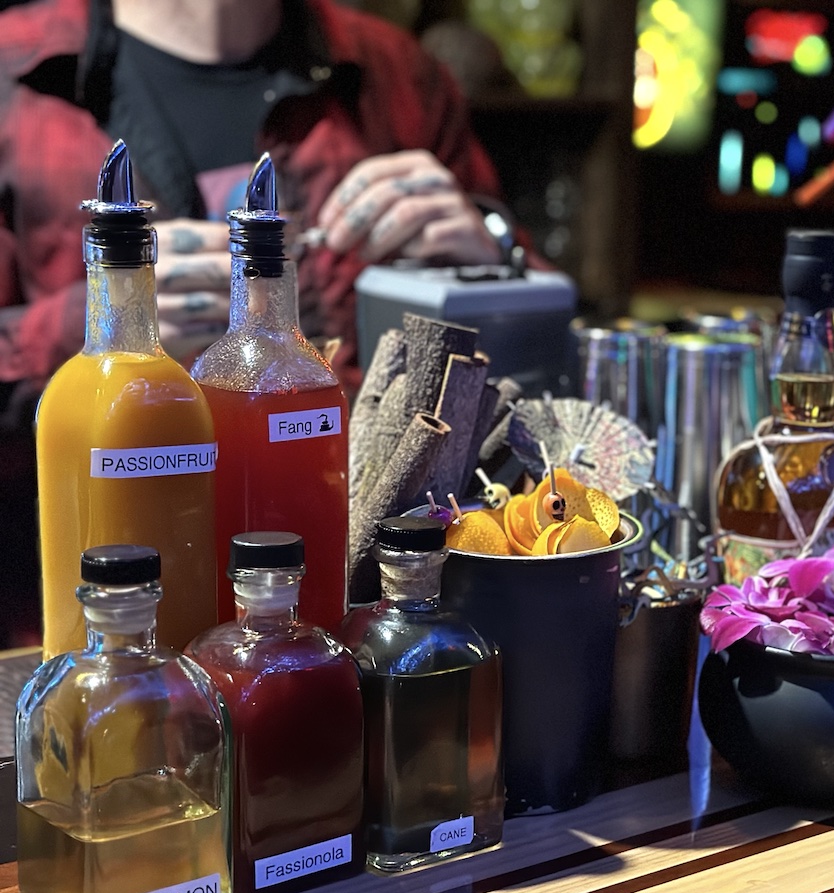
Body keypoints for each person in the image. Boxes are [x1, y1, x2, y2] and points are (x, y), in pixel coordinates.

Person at [0, 0, 511, 646]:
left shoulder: (397, 75)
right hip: (87, 651)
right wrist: (98, 319)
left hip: (352, 636)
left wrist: (493, 254)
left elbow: (537, 340)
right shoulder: (14, 73)